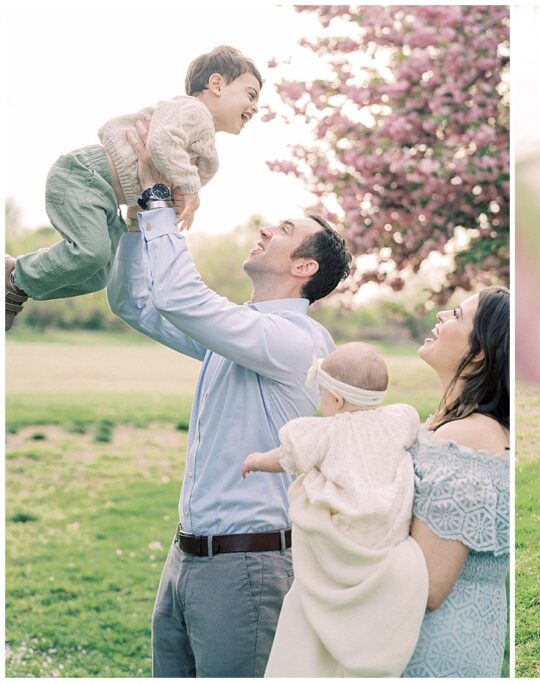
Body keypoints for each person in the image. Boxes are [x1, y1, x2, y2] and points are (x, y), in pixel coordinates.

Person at [106, 126, 352, 676]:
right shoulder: (244, 331)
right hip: (186, 559)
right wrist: (131, 223)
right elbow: (138, 303)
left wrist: (157, 202)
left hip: (246, 568)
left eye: (284, 230)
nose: (265, 228)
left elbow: (179, 296)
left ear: (304, 268)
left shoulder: (297, 342)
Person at [6, 45, 263, 331]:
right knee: (91, 253)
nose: (255, 107)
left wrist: (178, 196)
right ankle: (15, 277)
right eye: (250, 95)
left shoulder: (202, 143)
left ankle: (17, 282)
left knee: (99, 272)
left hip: (105, 197)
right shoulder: (193, 110)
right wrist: (191, 188)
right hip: (83, 175)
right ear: (216, 84)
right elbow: (160, 142)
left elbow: (166, 176)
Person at [241, 342, 428, 677]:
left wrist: (256, 461)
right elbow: (417, 427)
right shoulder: (399, 419)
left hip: (343, 533)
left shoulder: (324, 432)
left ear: (337, 400)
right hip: (384, 536)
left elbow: (285, 457)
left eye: (322, 392)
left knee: (327, 579)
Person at [402, 286, 510, 677]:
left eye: (457, 315)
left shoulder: (467, 439)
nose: (440, 317)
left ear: (479, 351)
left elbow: (430, 584)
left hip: (434, 647)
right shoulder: (444, 427)